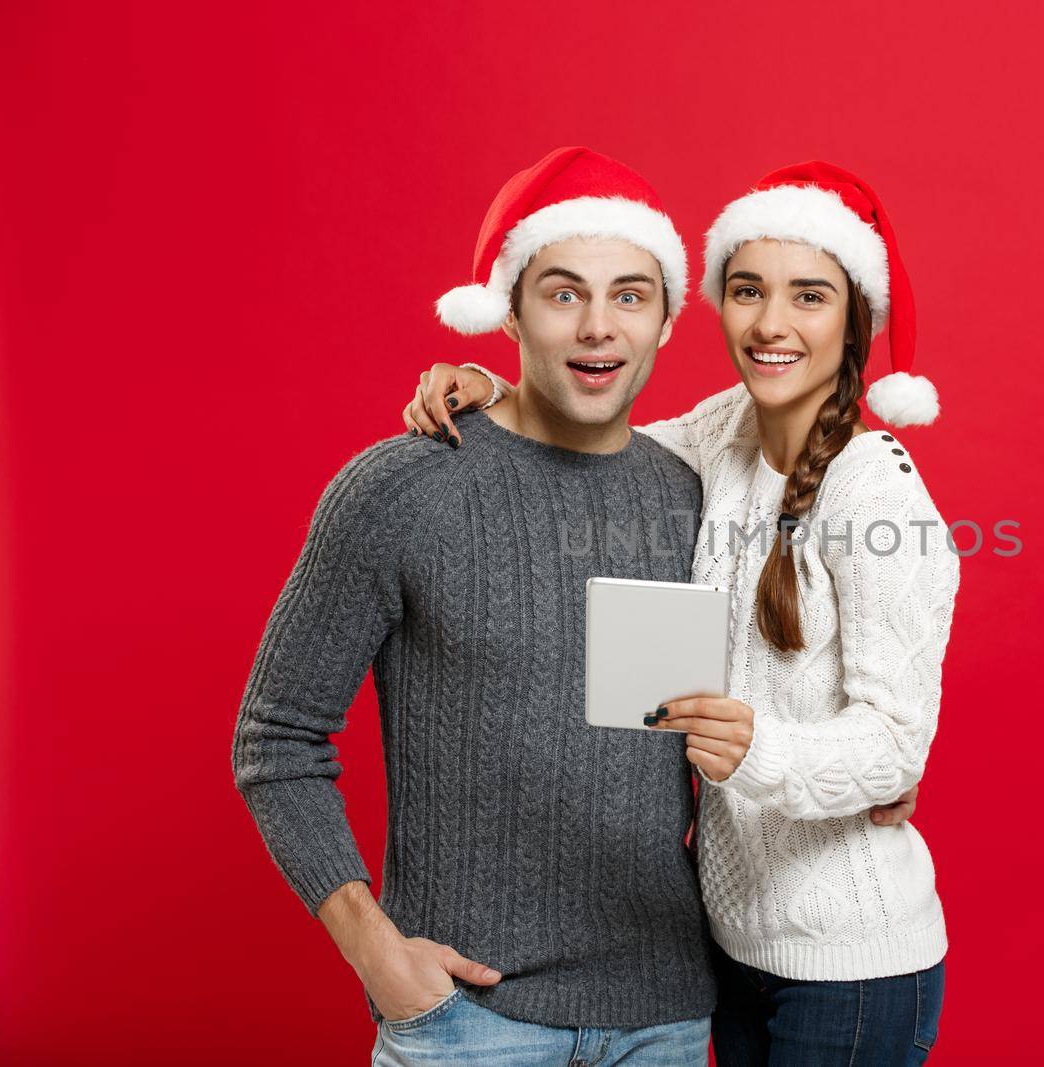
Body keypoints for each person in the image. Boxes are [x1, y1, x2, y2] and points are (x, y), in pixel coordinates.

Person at [236, 147, 784, 1067]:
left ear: (663, 320)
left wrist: (867, 770)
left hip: (668, 1016)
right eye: (564, 293)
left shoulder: (696, 498)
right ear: (511, 309)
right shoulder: (403, 489)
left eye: (630, 296)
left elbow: (760, 707)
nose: (598, 328)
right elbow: (276, 737)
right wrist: (380, 955)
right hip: (465, 1025)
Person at [407, 162, 959, 1065]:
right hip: (730, 946)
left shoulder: (878, 491)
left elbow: (899, 743)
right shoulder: (725, 430)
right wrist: (489, 385)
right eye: (747, 291)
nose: (771, 324)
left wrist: (761, 749)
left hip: (851, 964)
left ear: (857, 318)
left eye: (808, 296)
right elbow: (597, 441)